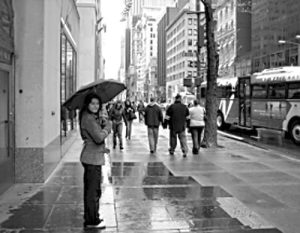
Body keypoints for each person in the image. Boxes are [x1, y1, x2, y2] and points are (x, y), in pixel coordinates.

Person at [79, 93, 112, 229]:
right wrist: (107, 128)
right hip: (92, 159)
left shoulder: (91, 117)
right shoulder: (88, 118)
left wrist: (102, 122)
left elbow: (94, 136)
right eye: (92, 103)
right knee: (93, 192)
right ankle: (92, 221)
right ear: (87, 104)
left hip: (93, 157)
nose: (95, 106)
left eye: (97, 104)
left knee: (93, 190)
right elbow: (98, 137)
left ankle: (91, 216)